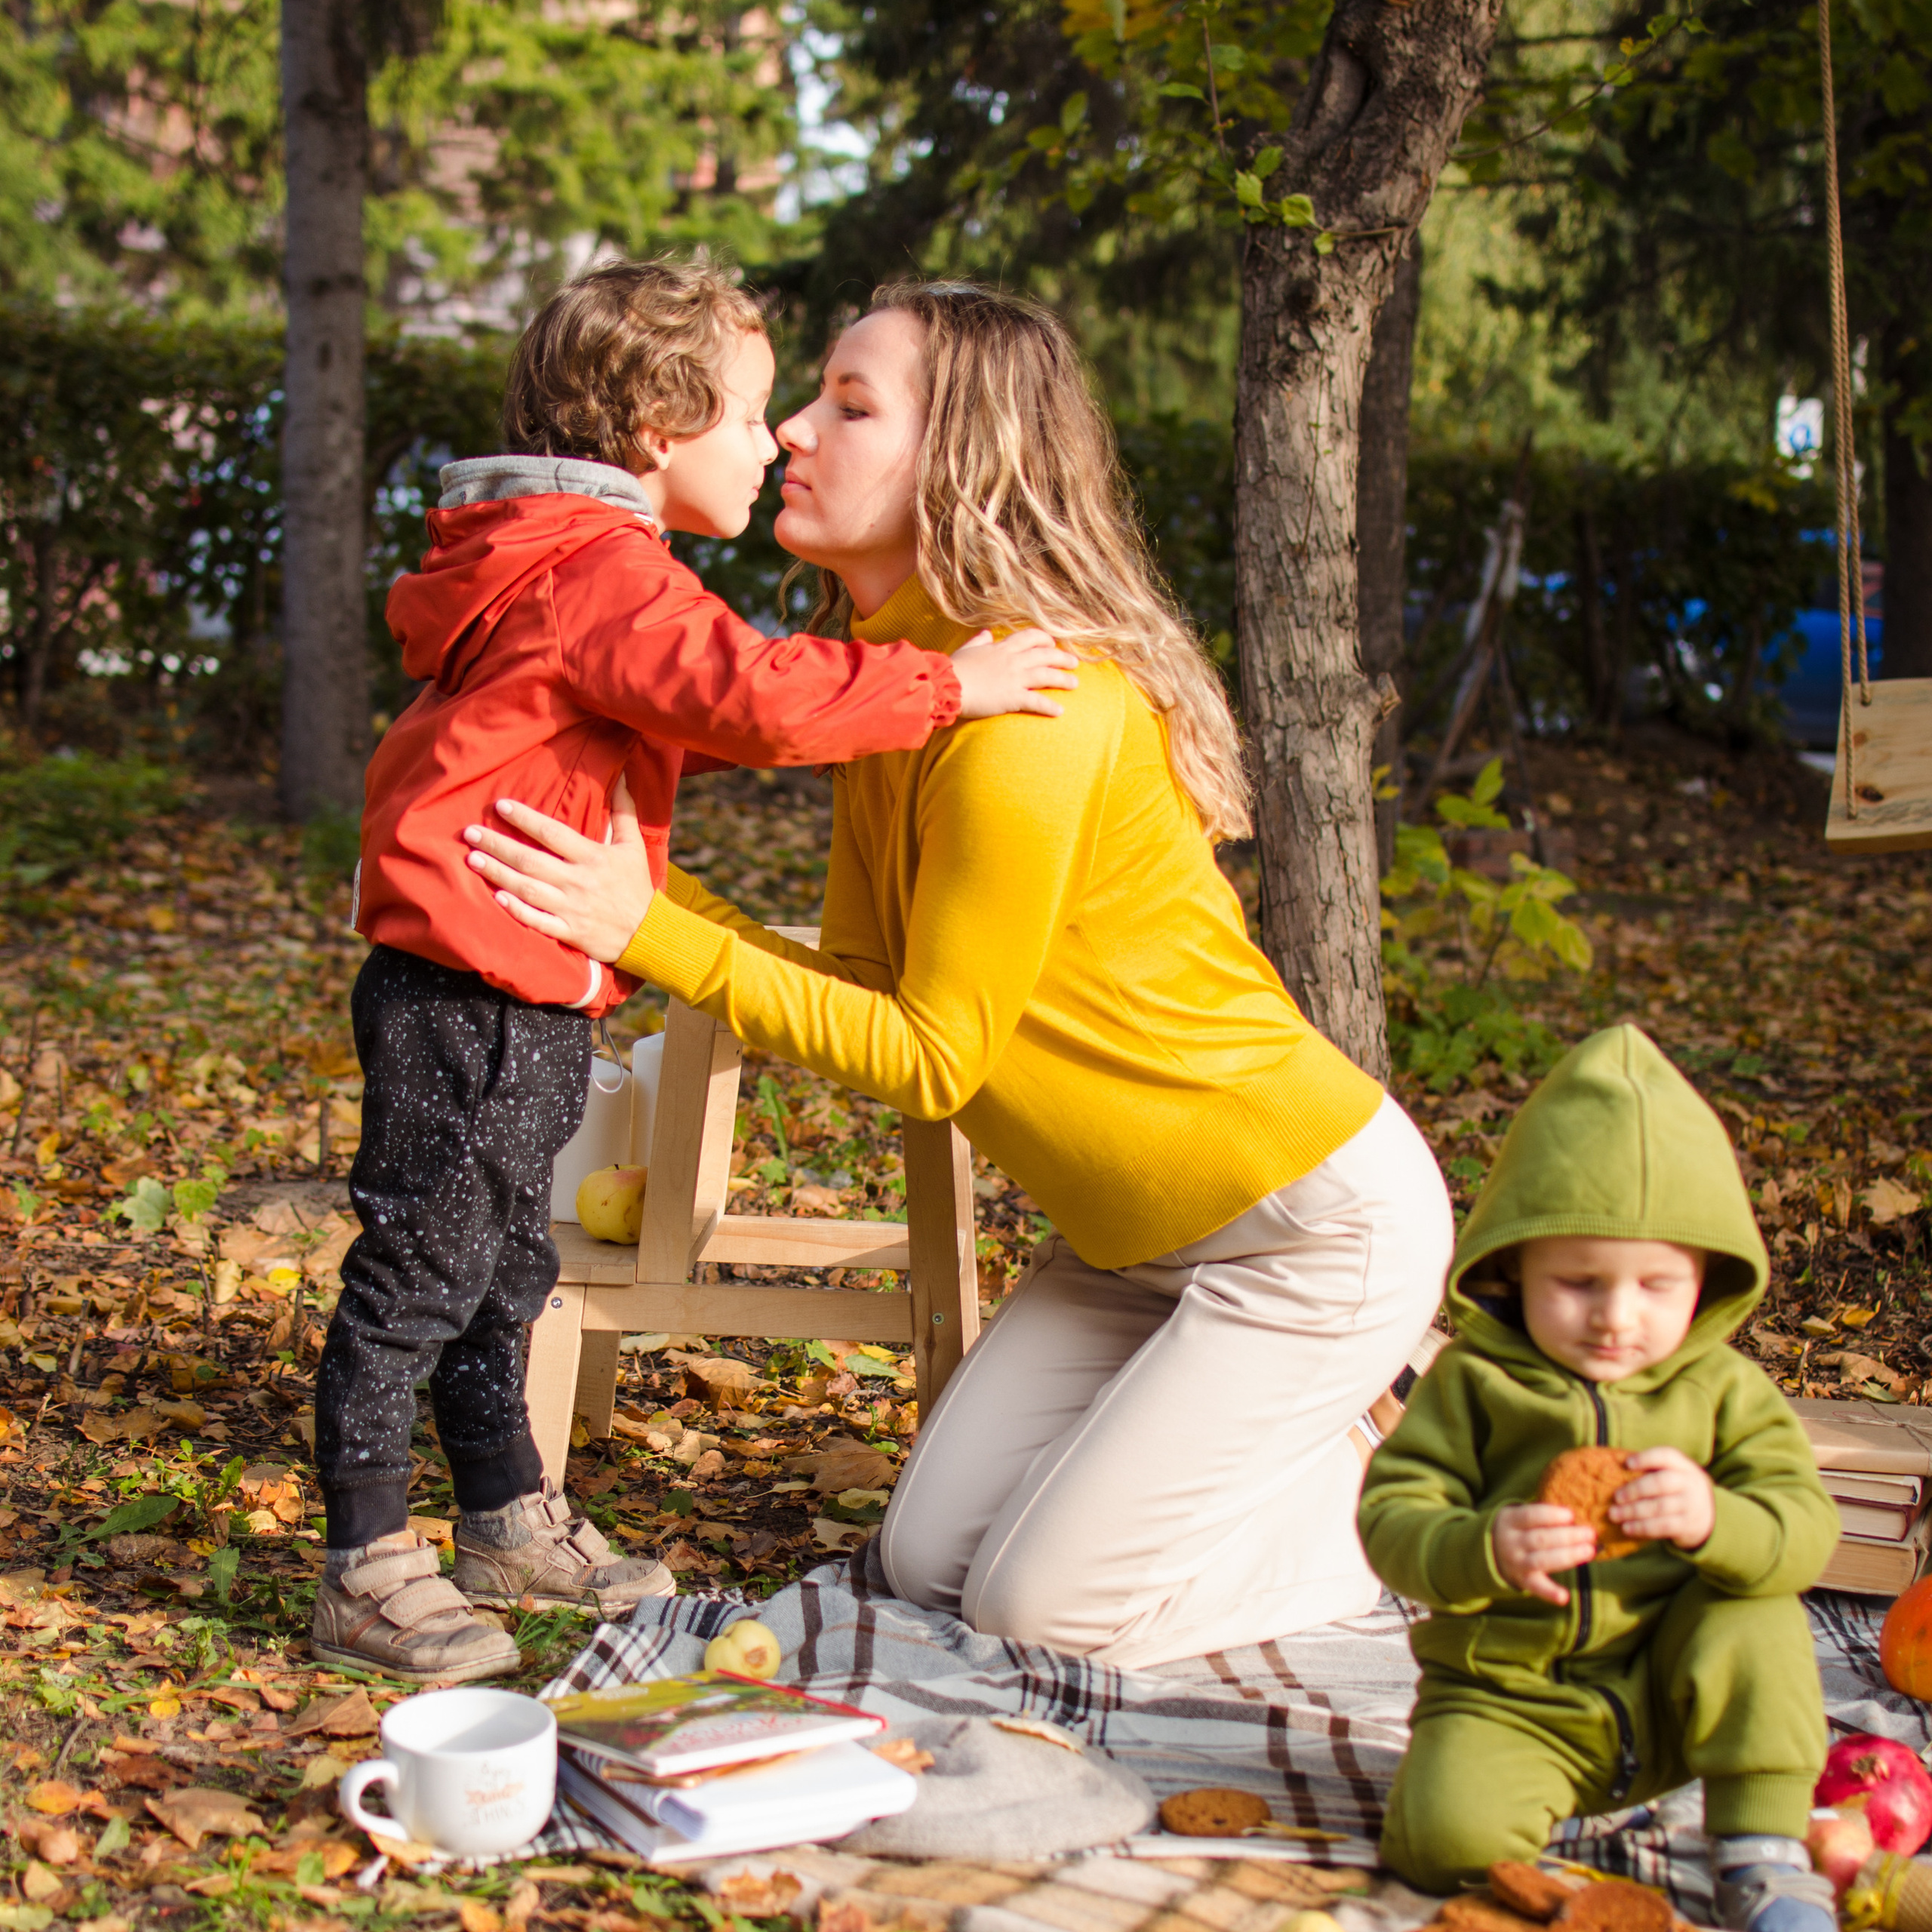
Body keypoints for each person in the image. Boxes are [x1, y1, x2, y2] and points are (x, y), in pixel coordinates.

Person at [461, 280, 1454, 1669]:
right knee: (932, 1561)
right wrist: (638, 892)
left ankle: (1421, 1506)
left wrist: (652, 933)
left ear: (965, 458)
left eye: (852, 406)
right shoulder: (903, 689)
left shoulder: (1025, 719)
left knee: (1043, 1611)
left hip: (1306, 1234)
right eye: (810, 398)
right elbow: (867, 979)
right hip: (1128, 1250)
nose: (797, 428)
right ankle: (1254, 1442)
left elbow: (936, 1058)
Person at [315, 259, 1076, 1682]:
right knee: (423, 1267)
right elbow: (752, 698)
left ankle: (504, 1516)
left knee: (504, 1264)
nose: (775, 434)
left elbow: (698, 703)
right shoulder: (602, 570)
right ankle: (363, 1558)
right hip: (475, 989)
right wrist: (946, 688)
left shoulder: (541, 555)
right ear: (658, 430)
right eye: (748, 412)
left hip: (502, 984)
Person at [1358, 1026, 1837, 1931]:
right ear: (1514, 1264)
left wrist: (1713, 1520)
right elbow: (1392, 1518)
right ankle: (1558, 1843)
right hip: (1517, 1694)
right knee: (1434, 1845)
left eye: (1657, 1285)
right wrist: (1481, 1546)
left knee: (1759, 1607)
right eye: (1578, 1280)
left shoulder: (1724, 1391)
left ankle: (1764, 1849)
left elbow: (1804, 1527)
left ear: (1706, 1277)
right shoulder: (1474, 1384)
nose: (1615, 1319)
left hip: (1674, 1684)